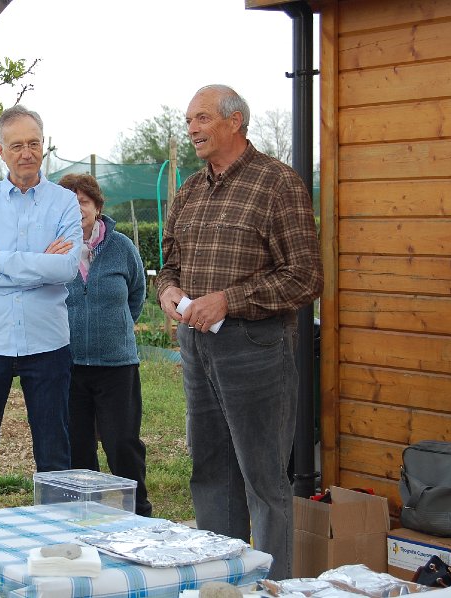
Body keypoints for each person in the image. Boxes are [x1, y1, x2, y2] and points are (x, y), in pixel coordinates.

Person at [156, 84, 323, 579]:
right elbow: (169, 263)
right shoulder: (188, 190)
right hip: (196, 345)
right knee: (210, 471)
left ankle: (273, 586)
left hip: (255, 348)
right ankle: (220, 582)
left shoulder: (278, 184)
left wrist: (230, 299)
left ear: (235, 122)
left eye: (202, 119)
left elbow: (307, 276)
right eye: (189, 121)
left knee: (264, 477)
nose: (192, 129)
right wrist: (168, 291)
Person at [0, 105, 83, 479]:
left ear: (44, 145)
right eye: (16, 145)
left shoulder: (64, 202)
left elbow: (66, 268)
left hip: (47, 345)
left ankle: (56, 537)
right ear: (0, 151)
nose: (26, 153)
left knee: (55, 458)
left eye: (33, 143)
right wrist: (38, 268)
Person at [58, 173, 152, 517]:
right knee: (78, 448)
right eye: (69, 202)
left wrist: (116, 327)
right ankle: (85, 516)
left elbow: (137, 294)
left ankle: (138, 512)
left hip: (116, 365)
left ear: (97, 207)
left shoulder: (122, 247)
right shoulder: (54, 248)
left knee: (122, 443)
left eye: (83, 201)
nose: (77, 208)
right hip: (68, 366)